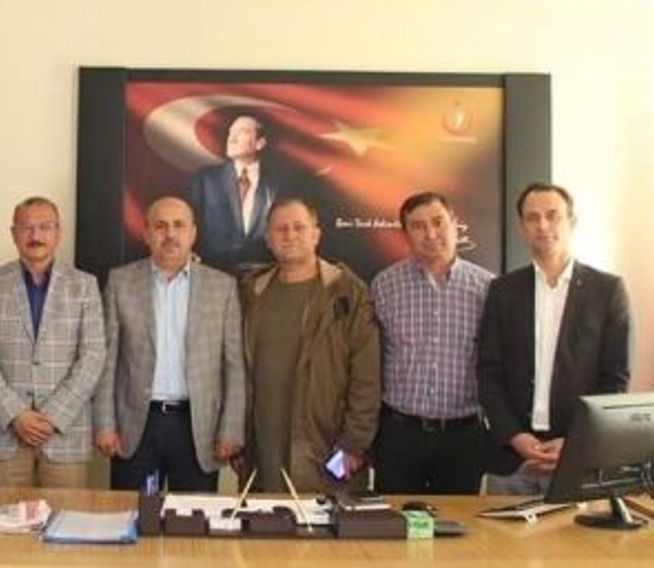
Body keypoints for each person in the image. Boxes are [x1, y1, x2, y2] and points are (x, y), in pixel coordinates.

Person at [477, 182, 631, 495]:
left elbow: (615, 379)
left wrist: (576, 439)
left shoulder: (607, 291)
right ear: (522, 227)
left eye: (552, 216)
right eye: (532, 218)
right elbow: (488, 372)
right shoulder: (502, 290)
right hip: (512, 459)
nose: (543, 225)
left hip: (578, 458)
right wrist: (514, 436)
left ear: (571, 222)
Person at [93, 196, 244, 491]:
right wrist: (104, 424)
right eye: (160, 226)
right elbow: (107, 360)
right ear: (146, 233)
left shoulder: (222, 286)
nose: (170, 234)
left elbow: (234, 365)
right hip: (136, 426)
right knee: (133, 514)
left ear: (193, 233)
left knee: (192, 516)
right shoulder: (121, 282)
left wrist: (231, 429)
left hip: (198, 427)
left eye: (179, 225)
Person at [239, 197, 379, 493]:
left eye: (299, 227)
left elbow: (366, 377)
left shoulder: (348, 292)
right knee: (263, 517)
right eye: (281, 229)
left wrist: (354, 444)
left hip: (326, 448)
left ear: (316, 234)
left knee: (324, 520)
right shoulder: (250, 292)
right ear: (268, 239)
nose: (290, 235)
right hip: (262, 447)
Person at [0, 197, 105, 487]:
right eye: (26, 227)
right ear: (13, 233)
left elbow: (93, 357)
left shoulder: (84, 285)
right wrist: (16, 414)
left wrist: (51, 416)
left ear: (58, 233)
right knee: (3, 516)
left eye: (45, 227)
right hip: (5, 433)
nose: (36, 235)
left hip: (64, 434)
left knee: (66, 515)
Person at [370, 191, 493, 494]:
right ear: (406, 234)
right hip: (399, 433)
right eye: (418, 226)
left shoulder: (488, 288)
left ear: (455, 224)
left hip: (463, 436)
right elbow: (371, 359)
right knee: (394, 520)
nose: (431, 233)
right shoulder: (384, 285)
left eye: (438, 222)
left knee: (457, 522)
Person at [187, 115, 287, 274]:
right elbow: (190, 225)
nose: (232, 139)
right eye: (230, 132)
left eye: (242, 132)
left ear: (260, 143)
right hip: (214, 274)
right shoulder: (205, 180)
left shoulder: (279, 183)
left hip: (264, 276)